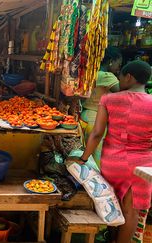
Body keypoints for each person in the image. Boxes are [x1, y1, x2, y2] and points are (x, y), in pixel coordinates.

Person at [69, 60, 152, 243]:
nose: (119, 80)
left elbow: (97, 133)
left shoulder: (109, 99)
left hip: (113, 161)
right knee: (132, 211)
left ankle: (108, 237)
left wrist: (83, 159)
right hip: (143, 165)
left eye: (121, 76)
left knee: (110, 203)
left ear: (129, 77)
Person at [80, 46, 122, 168]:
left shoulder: (92, 73)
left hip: (86, 116)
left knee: (87, 151)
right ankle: (94, 183)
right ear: (111, 61)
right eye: (118, 64)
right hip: (96, 118)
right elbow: (123, 94)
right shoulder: (108, 76)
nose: (118, 68)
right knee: (95, 156)